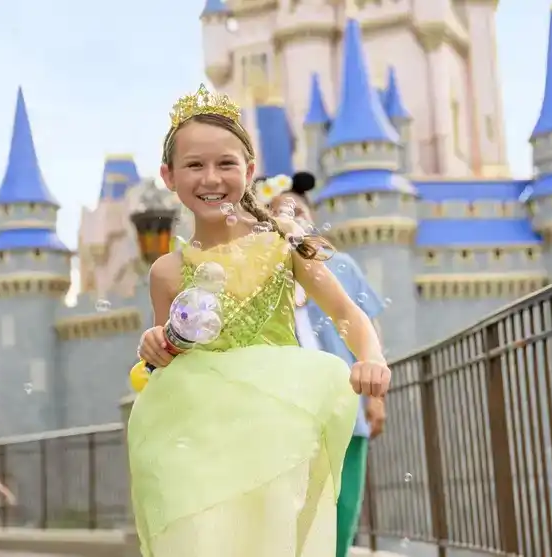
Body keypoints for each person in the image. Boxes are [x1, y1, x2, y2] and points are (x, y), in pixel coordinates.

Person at [130, 83, 392, 557]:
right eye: (194, 165)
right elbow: (170, 355)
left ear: (248, 171)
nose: (211, 177)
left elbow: (347, 313)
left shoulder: (283, 243)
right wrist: (156, 346)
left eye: (225, 164)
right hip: (201, 438)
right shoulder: (166, 272)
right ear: (169, 176)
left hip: (273, 433)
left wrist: (370, 355)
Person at [270, 173, 386, 557]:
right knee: (296, 511)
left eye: (296, 210)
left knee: (343, 505)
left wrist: (376, 398)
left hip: (344, 406)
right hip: (289, 412)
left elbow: (366, 326)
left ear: (311, 217)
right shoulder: (262, 276)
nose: (288, 217)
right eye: (276, 212)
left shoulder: (342, 266)